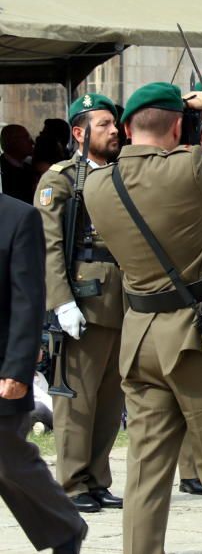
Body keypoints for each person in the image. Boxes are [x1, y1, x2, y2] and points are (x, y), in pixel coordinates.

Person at [84, 83, 202, 552]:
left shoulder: (96, 184)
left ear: (125, 128)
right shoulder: (188, 169)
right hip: (195, 339)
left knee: (146, 472)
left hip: (141, 337)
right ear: (175, 126)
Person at [34, 93, 125, 513]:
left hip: (123, 299)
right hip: (84, 300)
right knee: (78, 399)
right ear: (79, 132)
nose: (114, 131)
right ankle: (71, 483)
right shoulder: (62, 179)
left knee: (110, 398)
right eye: (104, 124)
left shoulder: (121, 174)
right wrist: (61, 302)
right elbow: (50, 247)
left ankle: (97, 477)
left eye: (114, 123)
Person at [0, 190, 88, 554]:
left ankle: (65, 526)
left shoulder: (18, 217)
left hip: (3, 364)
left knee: (7, 457)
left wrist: (18, 370)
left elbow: (28, 299)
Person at [0, 124, 37, 203]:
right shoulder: (2, 170)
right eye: (27, 138)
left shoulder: (29, 167)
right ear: (13, 141)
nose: (32, 142)